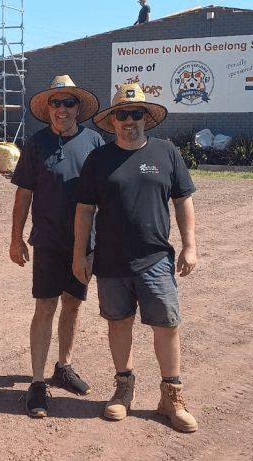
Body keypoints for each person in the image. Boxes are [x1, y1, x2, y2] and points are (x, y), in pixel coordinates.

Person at [73, 83, 199, 433]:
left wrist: (190, 245)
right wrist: (79, 254)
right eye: (122, 114)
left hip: (155, 258)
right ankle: (123, 388)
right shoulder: (98, 159)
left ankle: (170, 396)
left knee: (167, 324)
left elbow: (183, 200)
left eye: (136, 113)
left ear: (146, 117)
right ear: (112, 121)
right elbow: (84, 210)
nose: (129, 120)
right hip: (110, 262)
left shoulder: (166, 152)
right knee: (118, 323)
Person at [9, 75, 104, 418]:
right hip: (47, 241)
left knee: (74, 305)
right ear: (47, 108)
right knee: (45, 307)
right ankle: (37, 382)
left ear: (78, 108)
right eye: (55, 103)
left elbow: (106, 195)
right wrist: (15, 237)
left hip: (85, 242)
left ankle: (63, 366)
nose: (62, 109)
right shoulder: (36, 145)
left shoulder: (95, 142)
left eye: (69, 103)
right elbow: (23, 195)